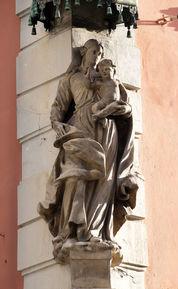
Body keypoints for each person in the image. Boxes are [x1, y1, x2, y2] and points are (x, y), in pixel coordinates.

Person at [38, 39, 138, 263]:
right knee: (75, 176)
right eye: (94, 52)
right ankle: (73, 230)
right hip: (80, 128)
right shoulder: (72, 78)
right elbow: (59, 106)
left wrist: (121, 109)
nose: (97, 57)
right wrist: (57, 124)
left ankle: (96, 232)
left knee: (105, 179)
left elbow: (126, 104)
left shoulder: (109, 79)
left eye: (100, 53)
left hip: (106, 131)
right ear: (84, 52)